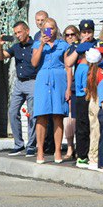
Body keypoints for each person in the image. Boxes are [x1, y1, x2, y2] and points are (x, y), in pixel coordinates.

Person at [0, 21, 39, 156]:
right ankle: (18, 144)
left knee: (32, 115)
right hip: (19, 83)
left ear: (27, 31)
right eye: (15, 33)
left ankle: (31, 145)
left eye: (19, 32)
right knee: (12, 111)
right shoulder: (16, 47)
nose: (17, 35)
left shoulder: (35, 45)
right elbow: (1, 57)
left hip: (33, 81)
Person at [29, 19, 69, 164]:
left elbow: (68, 66)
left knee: (58, 115)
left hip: (59, 79)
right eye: (46, 29)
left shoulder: (63, 45)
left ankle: (58, 150)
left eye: (51, 28)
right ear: (42, 30)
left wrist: (68, 87)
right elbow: (34, 63)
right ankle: (40, 151)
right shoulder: (37, 44)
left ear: (55, 29)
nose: (49, 31)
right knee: (41, 115)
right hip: (43, 78)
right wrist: (41, 44)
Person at [65, 20, 98, 168]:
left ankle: (94, 155)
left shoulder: (98, 44)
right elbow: (68, 63)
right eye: (84, 32)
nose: (87, 35)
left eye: (89, 32)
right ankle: (82, 155)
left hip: (94, 89)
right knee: (82, 124)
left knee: (95, 123)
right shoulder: (75, 46)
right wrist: (79, 48)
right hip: (79, 92)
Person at [60, 25, 80, 160]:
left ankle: (79, 147)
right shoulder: (63, 48)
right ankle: (70, 147)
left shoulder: (79, 48)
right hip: (65, 85)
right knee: (68, 119)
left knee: (78, 118)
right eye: (67, 35)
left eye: (72, 34)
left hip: (76, 86)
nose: (70, 37)